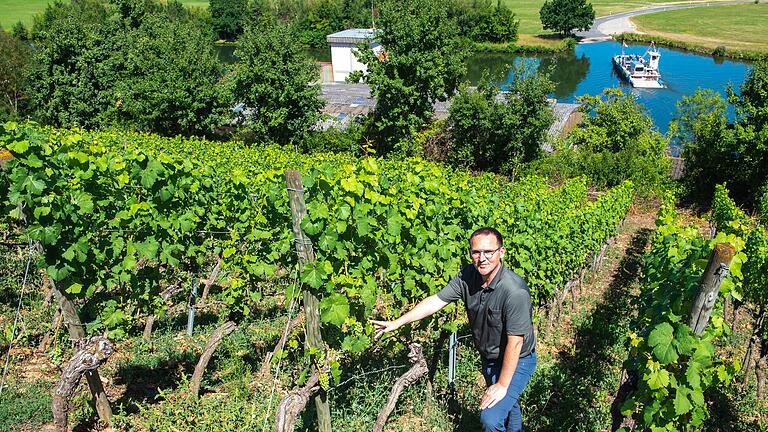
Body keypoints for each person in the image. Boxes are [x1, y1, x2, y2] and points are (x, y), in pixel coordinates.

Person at [371, 227, 536, 432]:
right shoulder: (468, 276)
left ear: (501, 252)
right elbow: (436, 301)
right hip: (490, 356)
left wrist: (502, 385)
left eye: (488, 252)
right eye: (476, 252)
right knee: (507, 405)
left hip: (518, 358)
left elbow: (516, 342)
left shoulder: (514, 291)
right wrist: (397, 322)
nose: (481, 258)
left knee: (491, 418)